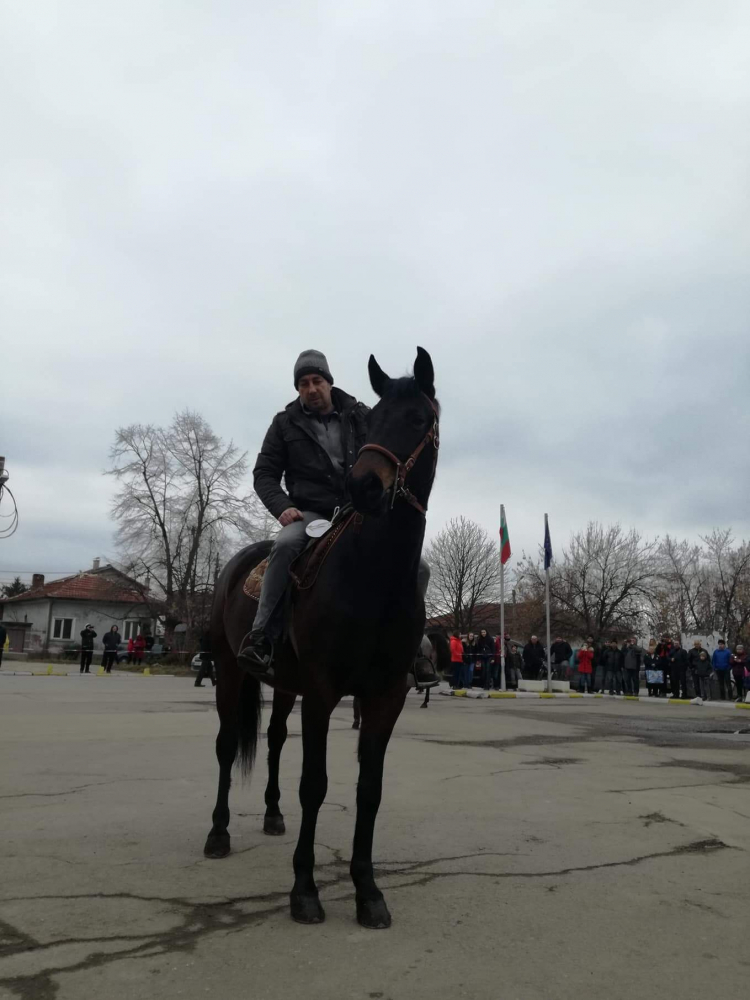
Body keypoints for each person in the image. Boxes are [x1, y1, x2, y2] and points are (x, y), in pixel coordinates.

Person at [237, 350, 371, 679]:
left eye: (317, 381)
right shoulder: (284, 424)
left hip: (358, 511)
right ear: (298, 389)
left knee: (413, 563)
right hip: (311, 513)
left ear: (329, 382)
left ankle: (411, 647)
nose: (311, 388)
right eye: (303, 383)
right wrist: (283, 507)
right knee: (284, 546)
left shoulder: (360, 416)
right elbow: (264, 472)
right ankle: (262, 637)